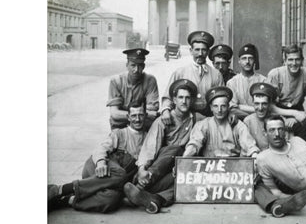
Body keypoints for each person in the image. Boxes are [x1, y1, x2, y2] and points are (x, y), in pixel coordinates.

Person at [48, 102, 147, 213]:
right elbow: (101, 148)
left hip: (111, 182)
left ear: (145, 116)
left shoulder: (149, 138)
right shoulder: (119, 133)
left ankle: (66, 200)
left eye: (141, 115)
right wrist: (100, 162)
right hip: (97, 168)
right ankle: (62, 189)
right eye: (134, 115)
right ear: (128, 117)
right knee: (120, 173)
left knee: (111, 199)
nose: (137, 119)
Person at [122, 79, 198, 214]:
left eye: (187, 98)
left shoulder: (197, 118)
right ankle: (140, 184)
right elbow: (151, 145)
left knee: (185, 182)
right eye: (180, 97)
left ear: (192, 100)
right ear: (174, 100)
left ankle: (154, 200)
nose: (184, 101)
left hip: (176, 168)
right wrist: (142, 168)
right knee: (175, 149)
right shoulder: (163, 120)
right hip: (159, 167)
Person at [244, 82, 306, 217]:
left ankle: (286, 198)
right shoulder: (247, 121)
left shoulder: (280, 122)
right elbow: (246, 147)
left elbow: (291, 147)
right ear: (252, 104)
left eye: (264, 103)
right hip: (261, 170)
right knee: (256, 185)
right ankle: (278, 204)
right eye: (257, 104)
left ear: (270, 104)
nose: (260, 108)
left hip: (281, 169)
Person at [160, 31, 223, 123]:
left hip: (209, 119)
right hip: (185, 118)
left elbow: (221, 98)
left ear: (208, 52)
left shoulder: (216, 74)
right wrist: (165, 110)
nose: (200, 53)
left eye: (204, 50)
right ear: (191, 51)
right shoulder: (180, 72)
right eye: (197, 50)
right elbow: (168, 97)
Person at [266, 44, 306, 140]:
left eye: (297, 59)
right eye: (290, 60)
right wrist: (294, 114)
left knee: (301, 142)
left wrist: (304, 114)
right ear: (285, 61)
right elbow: (269, 105)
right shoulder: (275, 74)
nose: (294, 63)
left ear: (302, 60)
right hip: (278, 111)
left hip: (299, 110)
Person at [183, 86, 259, 157]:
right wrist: (186, 156)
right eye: (215, 106)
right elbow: (195, 143)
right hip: (208, 167)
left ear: (228, 107)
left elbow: (249, 144)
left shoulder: (238, 125)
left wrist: (254, 154)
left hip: (234, 167)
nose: (219, 110)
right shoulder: (203, 124)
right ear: (211, 108)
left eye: (223, 106)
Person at [107, 48, 159, 130]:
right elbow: (115, 114)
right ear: (127, 65)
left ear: (144, 66)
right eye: (133, 65)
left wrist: (139, 116)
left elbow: (153, 111)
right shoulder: (116, 81)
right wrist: (142, 114)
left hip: (141, 125)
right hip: (120, 125)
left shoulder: (150, 81)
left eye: (140, 66)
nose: (136, 70)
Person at [226, 43, 267, 120]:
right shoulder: (232, 82)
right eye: (244, 58)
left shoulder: (263, 80)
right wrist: (251, 117)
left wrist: (240, 107)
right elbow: (232, 108)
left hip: (261, 120)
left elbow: (266, 107)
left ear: (254, 60)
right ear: (239, 61)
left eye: (250, 58)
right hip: (239, 121)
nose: (247, 62)